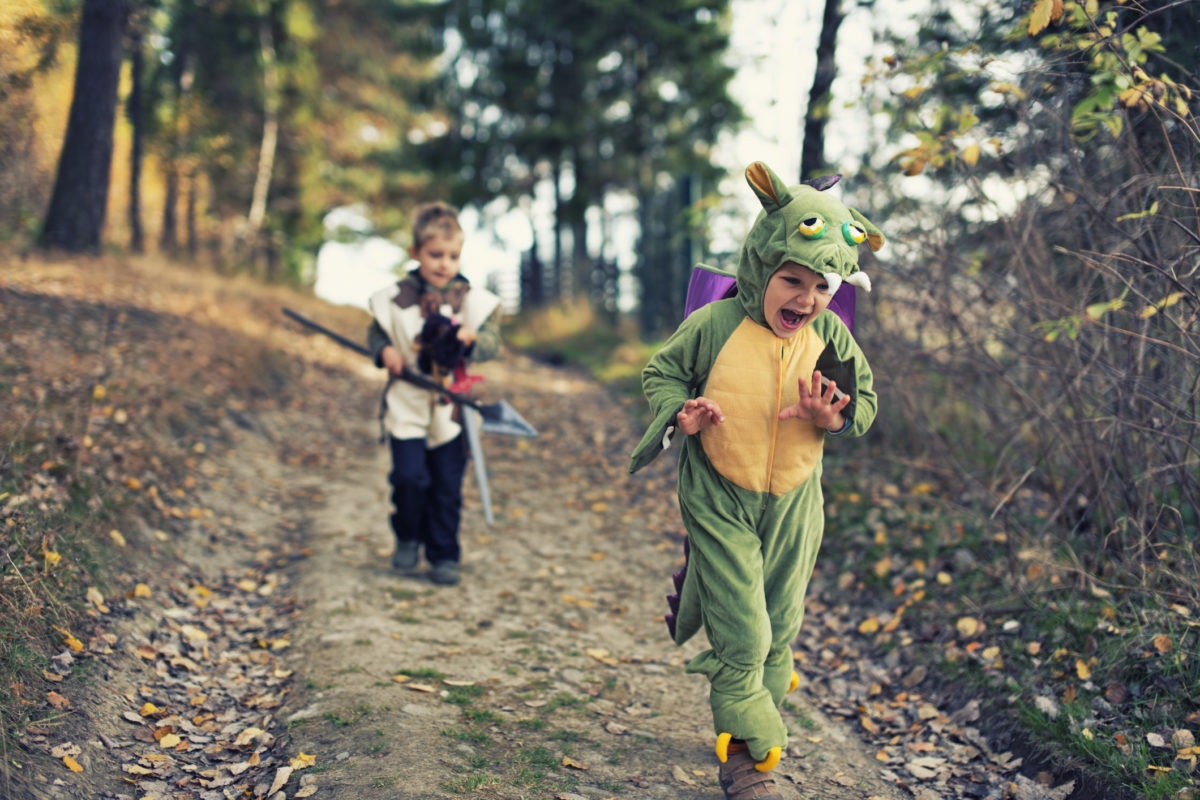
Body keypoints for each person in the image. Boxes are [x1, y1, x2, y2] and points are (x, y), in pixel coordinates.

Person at [628, 161, 883, 800]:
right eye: (791, 279)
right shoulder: (714, 326)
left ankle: (753, 710)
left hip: (797, 500)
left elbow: (866, 402)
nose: (805, 298)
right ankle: (745, 757)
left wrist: (837, 414)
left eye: (821, 285)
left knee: (779, 619)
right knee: (746, 627)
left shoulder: (830, 334)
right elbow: (661, 373)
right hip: (719, 491)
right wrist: (679, 411)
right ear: (761, 266)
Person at [367, 201, 502, 586]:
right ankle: (408, 535)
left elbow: (493, 342)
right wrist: (384, 351)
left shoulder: (474, 300)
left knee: (446, 485)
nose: (444, 263)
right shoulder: (394, 297)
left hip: (451, 408)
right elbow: (377, 331)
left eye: (453, 255)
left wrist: (474, 340)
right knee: (409, 478)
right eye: (435, 254)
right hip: (407, 403)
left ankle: (443, 554)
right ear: (415, 253)